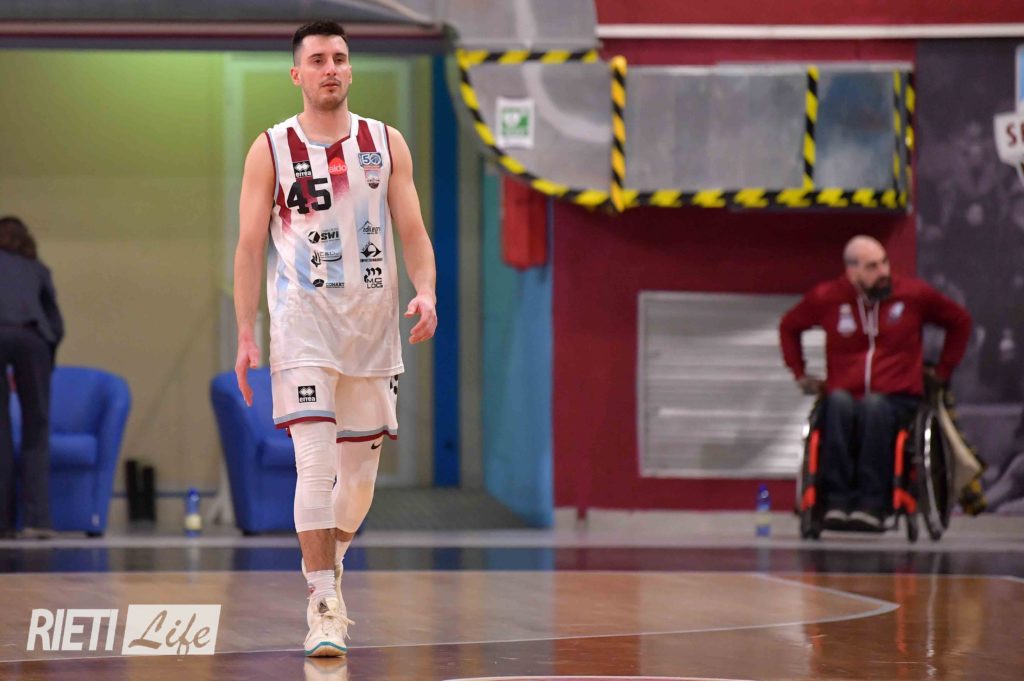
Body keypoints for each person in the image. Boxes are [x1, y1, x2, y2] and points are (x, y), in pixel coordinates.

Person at [234, 20, 437, 657]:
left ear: (351, 69)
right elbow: (248, 247)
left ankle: (331, 562)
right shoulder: (271, 148)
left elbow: (413, 230)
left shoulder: (386, 142)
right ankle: (322, 604)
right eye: (318, 59)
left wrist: (427, 290)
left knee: (358, 482)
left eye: (340, 58)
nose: (331, 68)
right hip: (303, 326)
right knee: (315, 467)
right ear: (297, 74)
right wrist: (246, 332)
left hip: (371, 329)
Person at [779, 235, 970, 531]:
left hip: (897, 398)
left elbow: (960, 321)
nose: (883, 272)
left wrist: (943, 370)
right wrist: (799, 373)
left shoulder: (913, 294)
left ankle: (872, 504)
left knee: (873, 406)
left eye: (884, 263)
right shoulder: (827, 297)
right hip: (846, 395)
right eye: (872, 267)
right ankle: (836, 503)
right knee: (838, 403)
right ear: (852, 271)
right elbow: (789, 326)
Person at [0, 216, 64, 540]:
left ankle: (3, 522)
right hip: (32, 337)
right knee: (36, 427)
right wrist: (44, 366)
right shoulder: (37, 269)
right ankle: (37, 520)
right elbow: (55, 323)